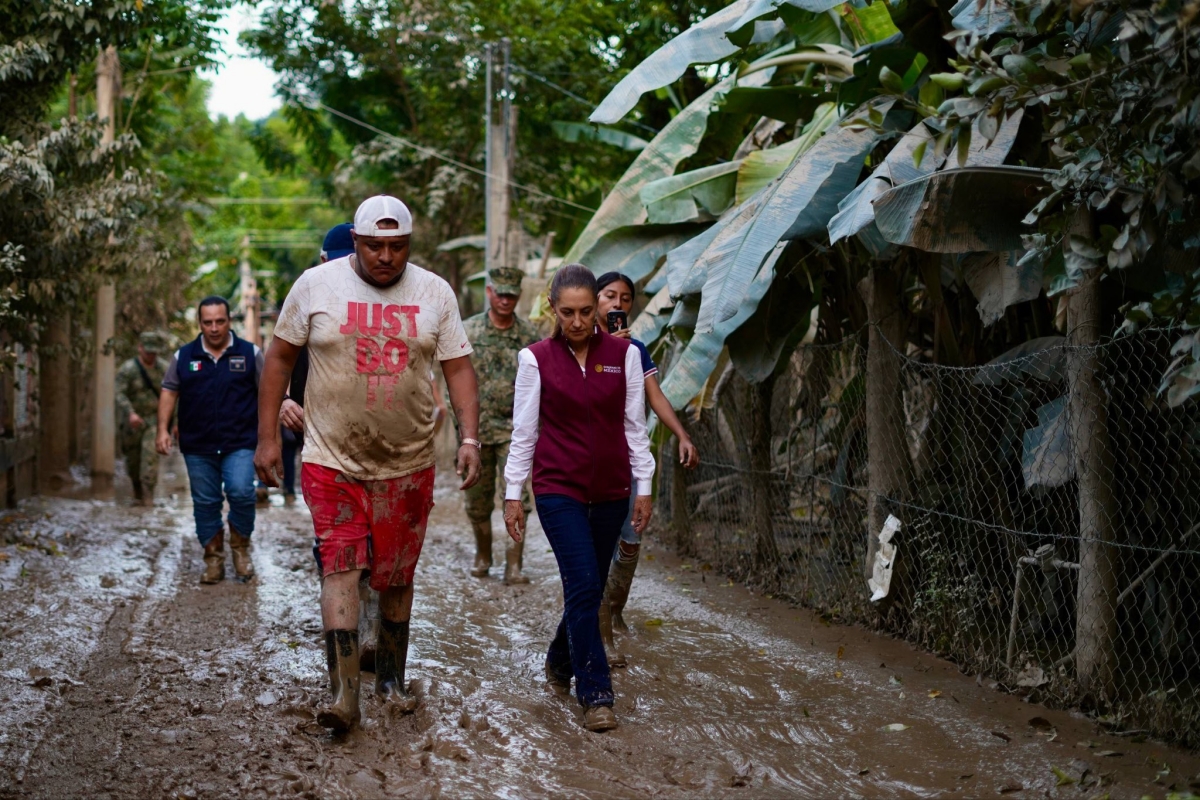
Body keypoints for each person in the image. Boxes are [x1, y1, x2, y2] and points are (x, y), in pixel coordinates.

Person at [254, 195, 482, 732]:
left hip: (408, 461)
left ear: (409, 244)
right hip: (330, 456)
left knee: (397, 576)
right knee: (340, 565)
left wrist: (469, 438)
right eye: (375, 246)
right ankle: (344, 693)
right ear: (355, 241)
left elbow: (459, 368)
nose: (386, 256)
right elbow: (280, 358)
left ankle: (392, 680)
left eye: (397, 246)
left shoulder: (434, 292)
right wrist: (266, 438)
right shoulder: (315, 285)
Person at [502, 264, 655, 733]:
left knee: (588, 587)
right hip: (557, 490)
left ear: (598, 307)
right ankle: (596, 694)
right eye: (567, 312)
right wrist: (513, 495)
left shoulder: (625, 355)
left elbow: (635, 427)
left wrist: (644, 487)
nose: (577, 321)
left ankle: (558, 659)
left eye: (586, 311)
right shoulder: (535, 359)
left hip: (612, 490)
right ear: (553, 308)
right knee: (586, 582)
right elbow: (524, 433)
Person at [594, 271, 700, 667]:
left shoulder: (636, 350)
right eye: (609, 295)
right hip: (593, 460)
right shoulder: (581, 344)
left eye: (625, 298)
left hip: (632, 458)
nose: (617, 304)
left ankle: (615, 610)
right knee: (598, 546)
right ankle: (602, 635)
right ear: (595, 299)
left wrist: (682, 435)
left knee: (631, 538)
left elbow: (655, 397)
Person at [156, 297, 263, 584]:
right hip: (197, 444)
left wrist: (270, 437)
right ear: (199, 324)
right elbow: (169, 391)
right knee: (205, 501)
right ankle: (213, 559)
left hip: (240, 442)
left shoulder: (250, 353)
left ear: (229, 321)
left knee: (241, 492)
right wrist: (162, 430)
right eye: (208, 322)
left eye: (220, 321)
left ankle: (241, 549)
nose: (214, 328)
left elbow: (267, 393)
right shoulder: (184, 356)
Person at [461, 265, 540, 584]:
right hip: (476, 432)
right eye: (500, 293)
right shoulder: (468, 331)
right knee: (477, 500)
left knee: (517, 497)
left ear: (518, 296)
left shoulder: (530, 337)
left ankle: (514, 565)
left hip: (514, 431)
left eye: (511, 295)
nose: (505, 300)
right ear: (489, 292)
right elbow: (454, 380)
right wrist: (461, 430)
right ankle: (483, 555)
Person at [116, 330, 168, 507]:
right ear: (140, 348)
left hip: (154, 420)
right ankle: (137, 493)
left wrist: (175, 423)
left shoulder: (164, 369)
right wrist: (130, 413)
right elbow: (119, 394)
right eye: (148, 352)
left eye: (154, 352)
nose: (151, 356)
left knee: (150, 457)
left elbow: (173, 395)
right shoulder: (128, 369)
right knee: (133, 461)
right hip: (132, 423)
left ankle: (148, 498)